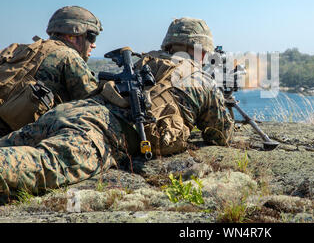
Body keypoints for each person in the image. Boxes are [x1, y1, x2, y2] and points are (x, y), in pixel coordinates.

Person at [0, 17, 234, 197]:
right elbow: (221, 134)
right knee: (43, 165)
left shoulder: (145, 60)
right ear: (204, 51)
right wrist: (222, 95)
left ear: (170, 44)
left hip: (68, 113)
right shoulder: (201, 80)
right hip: (98, 132)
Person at [0, 6, 102, 136]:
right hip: (24, 143)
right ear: (73, 35)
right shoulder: (68, 57)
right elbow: (95, 106)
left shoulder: (19, 50)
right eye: (91, 37)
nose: (93, 44)